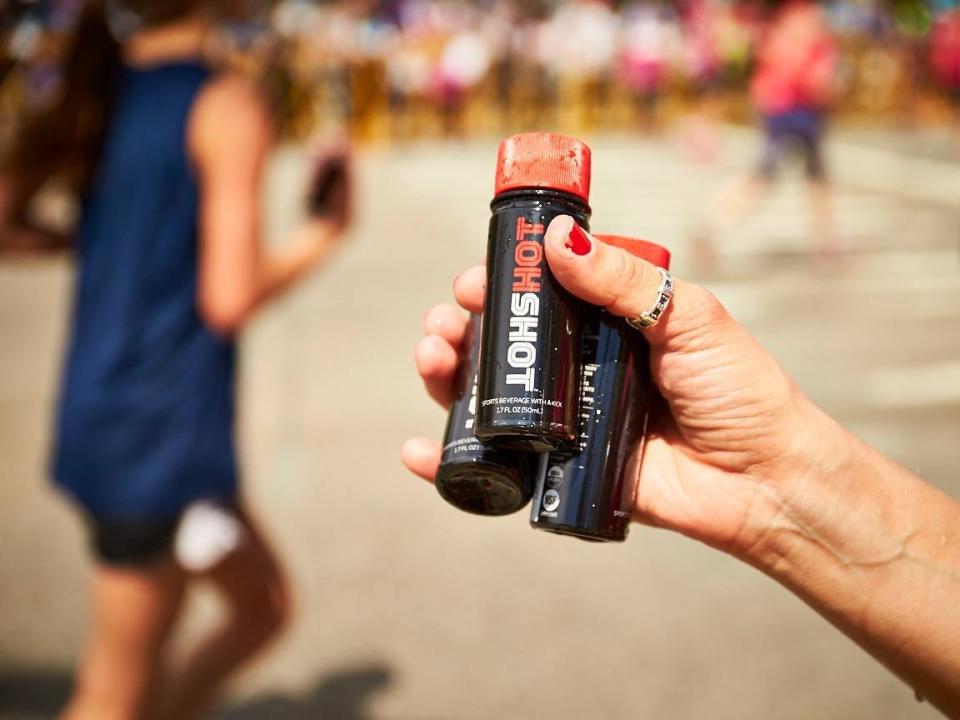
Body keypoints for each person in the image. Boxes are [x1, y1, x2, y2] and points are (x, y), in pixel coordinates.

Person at [402, 215, 960, 718]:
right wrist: (778, 490)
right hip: (588, 434)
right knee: (503, 322)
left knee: (507, 326)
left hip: (614, 438)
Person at [0, 2, 349, 718]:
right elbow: (229, 297)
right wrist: (324, 233)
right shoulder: (222, 101)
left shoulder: (102, 80)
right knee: (109, 693)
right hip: (155, 435)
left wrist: (92, 245)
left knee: (265, 605)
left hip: (123, 419)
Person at [695, 0, 838, 262]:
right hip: (792, 109)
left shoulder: (785, 18)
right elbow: (807, 71)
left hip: (788, 108)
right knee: (767, 177)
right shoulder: (800, 18)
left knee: (815, 176)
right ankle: (713, 224)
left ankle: (825, 238)